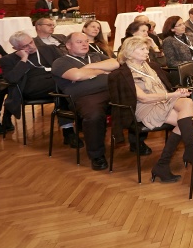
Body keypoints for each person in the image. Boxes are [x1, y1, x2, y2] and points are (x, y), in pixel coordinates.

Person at [108, 37, 193, 183]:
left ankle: (171, 160)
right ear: (130, 52)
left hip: (163, 100)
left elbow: (165, 88)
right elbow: (143, 98)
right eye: (142, 49)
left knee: (187, 103)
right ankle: (186, 153)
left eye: (147, 49)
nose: (147, 51)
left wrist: (178, 92)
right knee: (183, 119)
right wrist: (173, 94)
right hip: (145, 107)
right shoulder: (124, 73)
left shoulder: (151, 66)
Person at [52, 33, 149, 170]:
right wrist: (102, 70)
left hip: (113, 90)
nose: (85, 44)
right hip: (87, 96)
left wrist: (89, 69)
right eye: (79, 42)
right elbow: (76, 75)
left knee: (138, 103)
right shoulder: (61, 62)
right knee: (94, 116)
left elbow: (116, 63)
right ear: (68, 45)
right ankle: (97, 155)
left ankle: (137, 142)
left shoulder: (95, 56)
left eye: (86, 41)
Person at [0, 31, 83, 148]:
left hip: (56, 84)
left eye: (31, 42)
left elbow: (66, 64)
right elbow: (12, 79)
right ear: (16, 48)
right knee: (66, 86)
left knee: (63, 90)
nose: (31, 46)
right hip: (31, 88)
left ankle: (69, 131)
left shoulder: (49, 49)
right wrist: (23, 59)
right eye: (25, 46)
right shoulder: (8, 59)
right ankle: (76, 126)